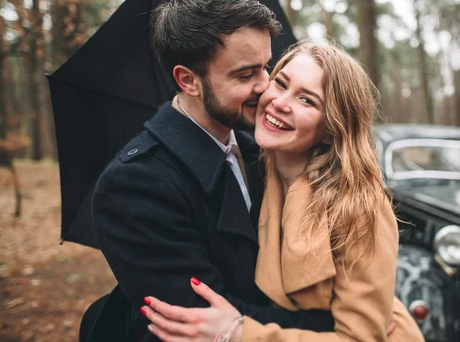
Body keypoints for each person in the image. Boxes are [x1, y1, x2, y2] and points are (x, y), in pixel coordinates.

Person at [87, 0, 421, 342]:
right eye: (246, 75)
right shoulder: (136, 183)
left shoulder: (263, 152)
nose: (266, 87)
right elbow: (195, 321)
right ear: (189, 81)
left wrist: (373, 312)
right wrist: (339, 327)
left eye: (268, 67)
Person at [139, 40, 424, 342]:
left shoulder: (359, 205)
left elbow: (360, 337)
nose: (280, 103)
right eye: (281, 83)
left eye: (307, 101)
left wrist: (240, 333)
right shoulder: (251, 166)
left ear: (332, 126)